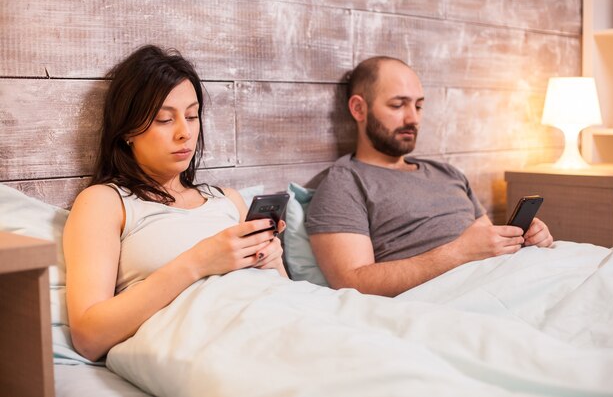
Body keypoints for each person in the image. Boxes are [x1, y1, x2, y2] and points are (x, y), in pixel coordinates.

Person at [63, 45, 287, 362]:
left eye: (192, 116)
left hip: (280, 322)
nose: (185, 133)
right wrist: (198, 262)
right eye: (164, 119)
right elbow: (88, 336)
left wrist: (272, 261)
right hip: (216, 348)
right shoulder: (105, 202)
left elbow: (288, 297)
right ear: (128, 130)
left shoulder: (227, 199)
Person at [305, 56, 553, 298]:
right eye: (397, 105)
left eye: (418, 105)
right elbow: (353, 283)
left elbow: (487, 242)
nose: (413, 118)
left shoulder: (446, 172)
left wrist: (526, 239)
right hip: (463, 295)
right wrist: (458, 253)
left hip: (514, 276)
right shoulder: (345, 183)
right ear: (359, 108)